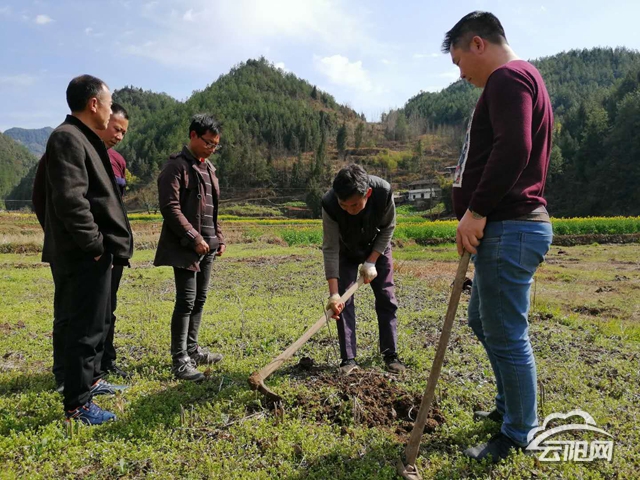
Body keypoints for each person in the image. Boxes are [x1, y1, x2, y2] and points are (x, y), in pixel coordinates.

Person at [442, 11, 554, 462]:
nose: (460, 74)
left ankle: (518, 431)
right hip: (504, 228)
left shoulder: (508, 78)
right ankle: (509, 406)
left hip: (510, 226)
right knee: (483, 322)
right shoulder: (512, 81)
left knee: (506, 333)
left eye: (458, 62)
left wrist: (476, 211)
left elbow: (514, 148)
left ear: (477, 44)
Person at [42, 74, 133, 425]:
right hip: (83, 255)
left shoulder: (85, 139)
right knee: (83, 328)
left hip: (95, 253)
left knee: (96, 324)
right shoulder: (67, 138)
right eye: (108, 104)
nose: (110, 112)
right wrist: (95, 246)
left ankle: (92, 381)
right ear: (94, 104)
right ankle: (77, 406)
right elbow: (71, 201)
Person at [154, 114, 225, 381]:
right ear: (193, 135)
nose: (212, 148)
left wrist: (218, 237)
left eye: (215, 144)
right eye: (208, 142)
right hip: (186, 246)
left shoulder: (209, 169)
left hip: (208, 247)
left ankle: (193, 350)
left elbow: (213, 210)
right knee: (185, 301)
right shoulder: (176, 167)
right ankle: (180, 359)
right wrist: (194, 237)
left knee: (199, 299)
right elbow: (169, 207)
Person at [321, 164, 405, 376]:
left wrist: (372, 261)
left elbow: (388, 227)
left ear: (367, 193)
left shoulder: (383, 192)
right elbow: (330, 248)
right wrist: (334, 294)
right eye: (344, 205)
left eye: (355, 205)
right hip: (345, 249)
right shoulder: (329, 204)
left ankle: (390, 354)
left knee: (386, 297)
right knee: (343, 303)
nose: (349, 210)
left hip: (377, 245)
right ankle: (348, 359)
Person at [100, 103, 132, 379]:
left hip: (115, 244)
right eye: (116, 129)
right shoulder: (80, 152)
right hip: (92, 245)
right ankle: (78, 370)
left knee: (109, 305)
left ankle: (106, 360)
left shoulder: (118, 160)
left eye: (124, 132)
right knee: (88, 310)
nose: (119, 136)